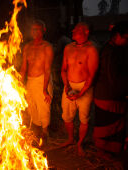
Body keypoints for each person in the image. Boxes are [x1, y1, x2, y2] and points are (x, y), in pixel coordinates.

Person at [60, 22, 99, 156]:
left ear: (86, 31)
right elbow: (63, 70)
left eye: (76, 30)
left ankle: (80, 144)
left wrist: (81, 93)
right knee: (67, 116)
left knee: (84, 119)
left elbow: (92, 75)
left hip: (85, 87)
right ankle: (70, 139)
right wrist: (66, 86)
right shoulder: (68, 48)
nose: (73, 31)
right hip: (70, 85)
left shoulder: (91, 49)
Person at [93, 21, 128, 160]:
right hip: (107, 95)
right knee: (105, 125)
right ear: (117, 36)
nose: (126, 41)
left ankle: (114, 149)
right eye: (125, 38)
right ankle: (102, 151)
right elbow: (112, 76)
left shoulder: (118, 49)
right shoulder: (109, 52)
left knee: (116, 125)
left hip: (114, 94)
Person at [20, 20, 54, 146]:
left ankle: (45, 133)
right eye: (33, 29)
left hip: (42, 80)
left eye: (37, 29)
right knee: (31, 107)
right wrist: (19, 84)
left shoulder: (47, 47)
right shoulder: (27, 47)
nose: (35, 32)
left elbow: (47, 69)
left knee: (43, 108)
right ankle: (37, 131)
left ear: (43, 31)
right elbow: (23, 67)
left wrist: (45, 89)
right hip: (30, 81)